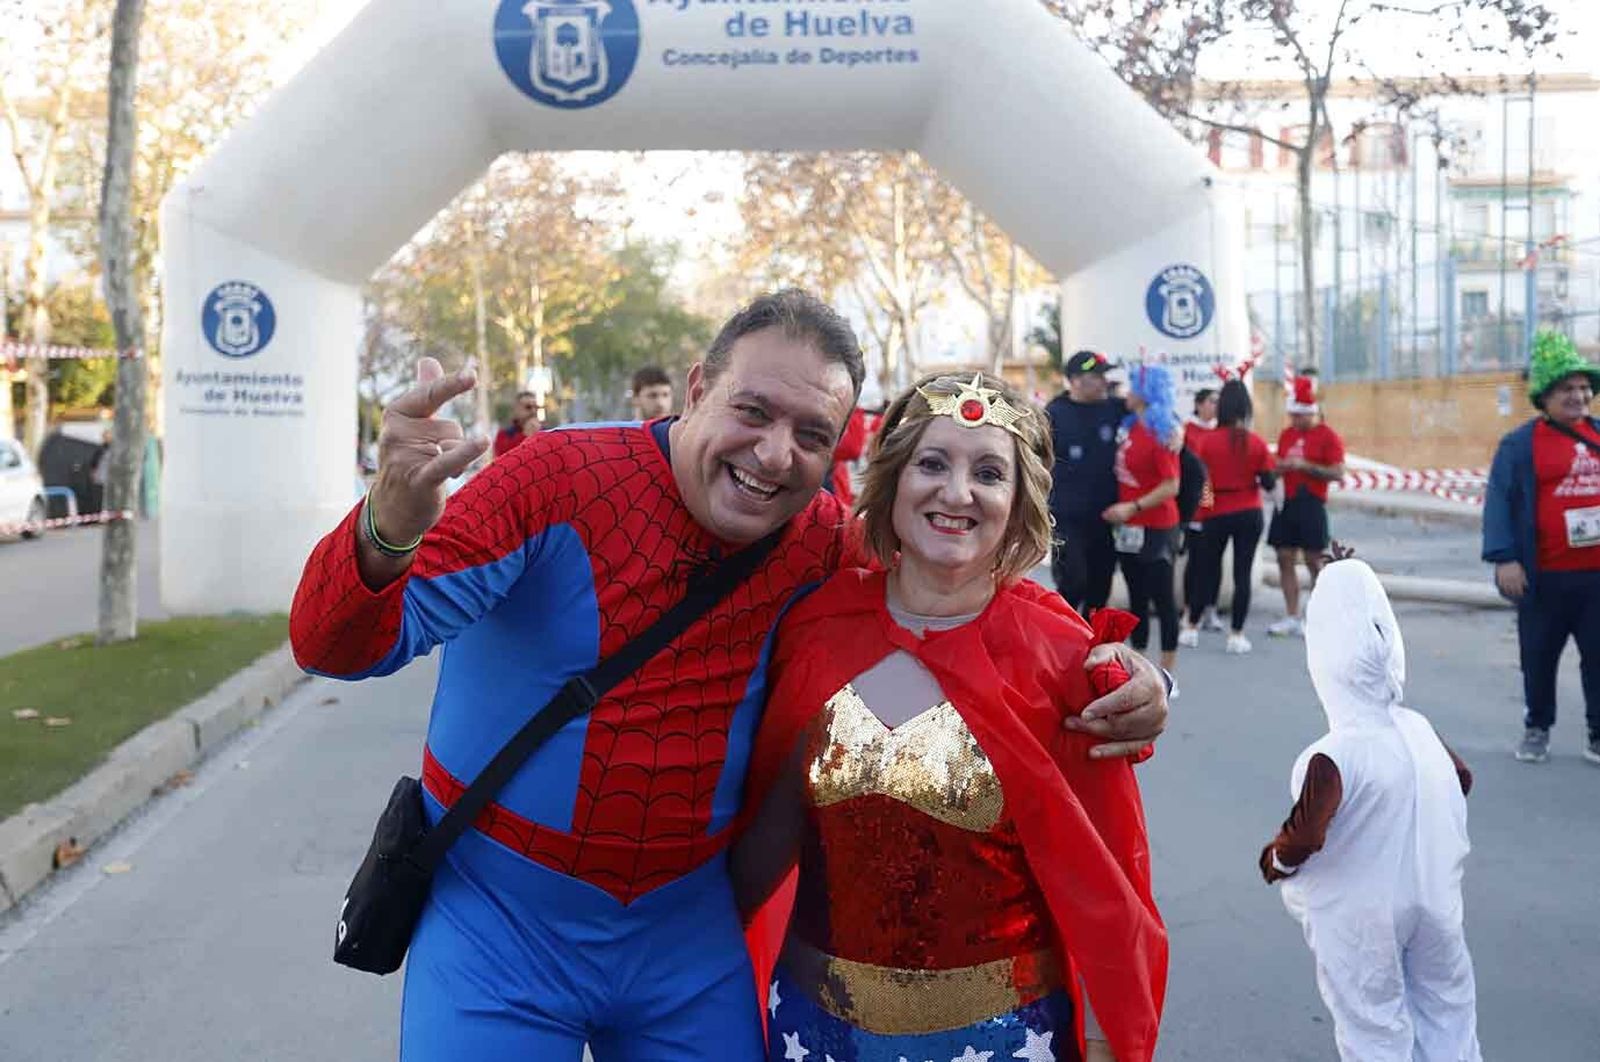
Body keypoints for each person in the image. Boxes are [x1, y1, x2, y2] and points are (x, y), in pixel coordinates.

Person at [288, 290, 1171, 1060]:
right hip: (499, 918)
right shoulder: (552, 480)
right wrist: (386, 527)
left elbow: (963, 593)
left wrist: (1126, 671)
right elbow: (339, 646)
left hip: (682, 934)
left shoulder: (825, 541)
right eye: (754, 411)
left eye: (812, 434)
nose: (775, 453)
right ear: (699, 389)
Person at [735, 371, 1166, 1062]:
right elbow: (765, 828)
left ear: (1018, 501)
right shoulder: (815, 624)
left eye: (988, 472)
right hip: (812, 1036)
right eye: (932, 463)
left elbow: (1107, 881)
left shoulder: (1061, 660)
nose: (956, 492)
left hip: (1004, 1043)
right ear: (894, 480)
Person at [1260, 557, 1480, 1062]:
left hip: (1365, 911)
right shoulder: (1417, 727)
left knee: (1372, 1020)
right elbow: (1461, 779)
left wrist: (1274, 862)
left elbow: (1306, 836)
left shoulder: (1336, 753)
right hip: (1435, 898)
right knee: (1448, 1009)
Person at [1482, 329, 1600, 766]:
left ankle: (1598, 733)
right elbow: (1498, 501)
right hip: (1544, 574)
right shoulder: (1519, 445)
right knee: (1538, 655)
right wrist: (1504, 558)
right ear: (1545, 395)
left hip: (1596, 575)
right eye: (1568, 388)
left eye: (1584, 387)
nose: (1580, 395)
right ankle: (1537, 727)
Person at [1182, 378, 1275, 654]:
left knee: (1206, 570)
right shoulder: (1256, 443)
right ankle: (1236, 634)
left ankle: (1191, 627)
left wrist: (1204, 507)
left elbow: (1202, 483)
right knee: (1242, 574)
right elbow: (1268, 482)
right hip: (1249, 510)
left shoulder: (1207, 442)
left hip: (1216, 513)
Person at [1105, 364, 1183, 671]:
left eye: (1133, 387)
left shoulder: (1162, 431)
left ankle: (1167, 672)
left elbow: (1172, 485)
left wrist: (1133, 507)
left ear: (1146, 393)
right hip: (1128, 527)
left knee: (1162, 599)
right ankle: (1138, 666)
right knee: (1136, 597)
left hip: (1157, 526)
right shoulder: (1129, 425)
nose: (1127, 392)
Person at [1267, 376, 1347, 637]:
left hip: (1312, 502)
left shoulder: (1328, 436)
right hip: (1287, 501)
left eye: (1298, 416)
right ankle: (1292, 615)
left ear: (1310, 414)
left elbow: (1338, 472)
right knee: (1284, 557)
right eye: (1291, 416)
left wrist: (1306, 466)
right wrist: (1279, 468)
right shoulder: (1287, 434)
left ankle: (1318, 617)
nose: (1293, 421)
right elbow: (1278, 462)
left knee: (1315, 560)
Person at [1046, 350, 1124, 614]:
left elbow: (1155, 418)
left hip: (1106, 516)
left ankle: (1092, 645)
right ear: (1075, 380)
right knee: (1073, 581)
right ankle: (1063, 641)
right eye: (1097, 376)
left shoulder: (1115, 409)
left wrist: (1176, 433)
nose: (1104, 382)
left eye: (1105, 376)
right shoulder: (1054, 414)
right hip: (1067, 517)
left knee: (1100, 586)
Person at [1180, 389, 1221, 635]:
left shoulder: (1220, 430)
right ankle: (1188, 609)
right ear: (1198, 404)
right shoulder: (1187, 430)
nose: (1215, 406)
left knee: (1214, 560)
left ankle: (1210, 609)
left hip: (1218, 503)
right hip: (1196, 503)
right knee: (1195, 561)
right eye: (1211, 401)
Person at [492, 390, 539, 458]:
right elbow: (502, 459)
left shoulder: (546, 432)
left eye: (536, 407)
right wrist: (524, 436)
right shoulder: (504, 434)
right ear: (516, 409)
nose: (533, 411)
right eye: (528, 407)